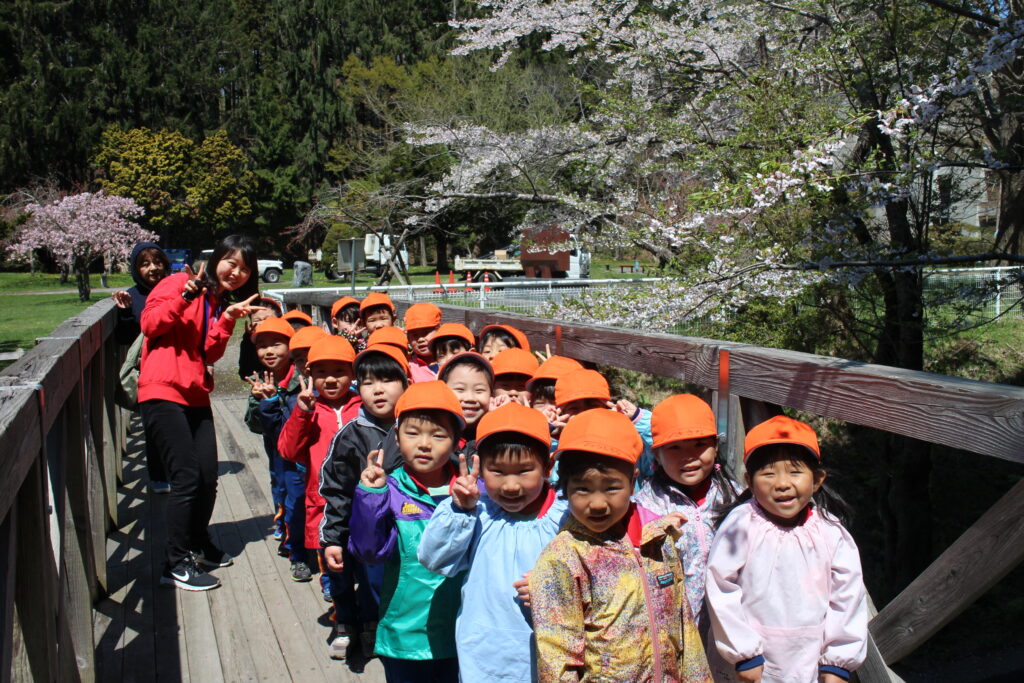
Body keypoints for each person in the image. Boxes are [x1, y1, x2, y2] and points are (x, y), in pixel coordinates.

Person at [529, 408, 711, 682]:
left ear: (632, 481)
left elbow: (684, 626)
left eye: (612, 488)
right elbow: (557, 655)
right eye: (583, 489)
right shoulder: (563, 558)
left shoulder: (658, 541)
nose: (598, 503)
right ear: (564, 488)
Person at [142, 234, 264, 591]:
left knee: (207, 476)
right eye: (232, 262)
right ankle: (175, 563)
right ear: (216, 259)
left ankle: (196, 541)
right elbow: (151, 325)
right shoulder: (178, 282)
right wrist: (187, 294)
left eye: (245, 269)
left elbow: (210, 354)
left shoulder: (216, 300)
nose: (237, 272)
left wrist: (226, 318)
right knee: (185, 478)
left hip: (195, 394)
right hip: (163, 389)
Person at [705, 416, 867, 682]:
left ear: (817, 480)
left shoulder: (830, 532)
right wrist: (743, 652)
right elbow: (721, 585)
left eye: (795, 472)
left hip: (809, 659)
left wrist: (838, 661)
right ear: (749, 480)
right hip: (753, 662)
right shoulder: (741, 526)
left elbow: (848, 596)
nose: (782, 483)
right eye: (768, 473)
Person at [417, 402, 568, 683]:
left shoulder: (566, 518)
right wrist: (460, 510)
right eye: (497, 471)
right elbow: (434, 559)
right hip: (484, 655)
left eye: (524, 471)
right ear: (480, 467)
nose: (511, 486)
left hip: (551, 654)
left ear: (548, 466)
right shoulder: (477, 512)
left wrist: (556, 584)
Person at [348, 380, 466, 682]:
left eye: (438, 435)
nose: (424, 444)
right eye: (412, 433)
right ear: (396, 438)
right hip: (405, 634)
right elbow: (369, 552)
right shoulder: (388, 489)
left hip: (463, 632)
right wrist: (371, 498)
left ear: (456, 443)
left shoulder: (471, 492)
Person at [320, 343, 410, 660]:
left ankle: (384, 625)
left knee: (396, 583)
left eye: (387, 380)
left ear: (406, 383)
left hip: (408, 527)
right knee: (358, 579)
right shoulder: (350, 435)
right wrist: (332, 537)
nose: (377, 390)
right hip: (362, 530)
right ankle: (358, 624)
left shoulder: (417, 428)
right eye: (368, 382)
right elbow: (336, 490)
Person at [634, 394, 739, 635]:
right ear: (656, 455)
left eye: (699, 444)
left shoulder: (735, 498)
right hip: (669, 628)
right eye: (674, 448)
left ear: (715, 447)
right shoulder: (645, 508)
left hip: (727, 626)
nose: (689, 456)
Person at [278, 336, 360, 598]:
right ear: (309, 374)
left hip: (362, 498)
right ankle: (342, 614)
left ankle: (367, 617)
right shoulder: (308, 408)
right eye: (322, 372)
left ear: (353, 373)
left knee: (364, 558)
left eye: (339, 371)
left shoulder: (362, 407)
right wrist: (301, 413)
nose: (331, 380)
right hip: (323, 499)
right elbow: (288, 451)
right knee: (332, 560)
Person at [243, 317, 306, 569]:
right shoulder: (258, 380)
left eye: (277, 344)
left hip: (306, 452)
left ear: (291, 346)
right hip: (278, 453)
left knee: (302, 498)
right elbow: (253, 424)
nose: (269, 351)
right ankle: (293, 547)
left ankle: (306, 543)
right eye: (262, 345)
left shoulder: (302, 375)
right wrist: (261, 401)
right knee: (283, 493)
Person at [111, 241, 172, 492]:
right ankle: (158, 476)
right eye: (145, 264)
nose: (153, 268)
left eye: (157, 262)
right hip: (148, 371)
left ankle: (178, 471)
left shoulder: (176, 290)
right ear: (136, 269)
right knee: (154, 426)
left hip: (175, 366)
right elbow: (126, 339)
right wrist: (125, 312)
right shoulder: (133, 296)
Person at [550, 368, 655, 483]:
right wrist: (548, 432)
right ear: (561, 414)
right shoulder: (560, 450)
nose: (586, 414)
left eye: (593, 406)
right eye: (574, 408)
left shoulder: (628, 442)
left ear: (609, 407)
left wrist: (638, 418)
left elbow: (661, 452)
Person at [438, 352, 494, 459]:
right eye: (460, 389)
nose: (470, 398)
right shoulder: (433, 435)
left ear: (491, 394)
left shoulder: (496, 435)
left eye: (479, 390)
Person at [237, 296, 283, 382]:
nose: (262, 323)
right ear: (251, 325)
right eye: (257, 320)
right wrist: (248, 341)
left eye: (267, 319)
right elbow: (245, 373)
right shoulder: (250, 343)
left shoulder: (288, 339)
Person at [404, 302, 442, 383]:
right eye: (414, 335)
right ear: (408, 338)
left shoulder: (449, 360)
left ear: (439, 330)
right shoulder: (408, 367)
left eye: (426, 332)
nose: (420, 339)